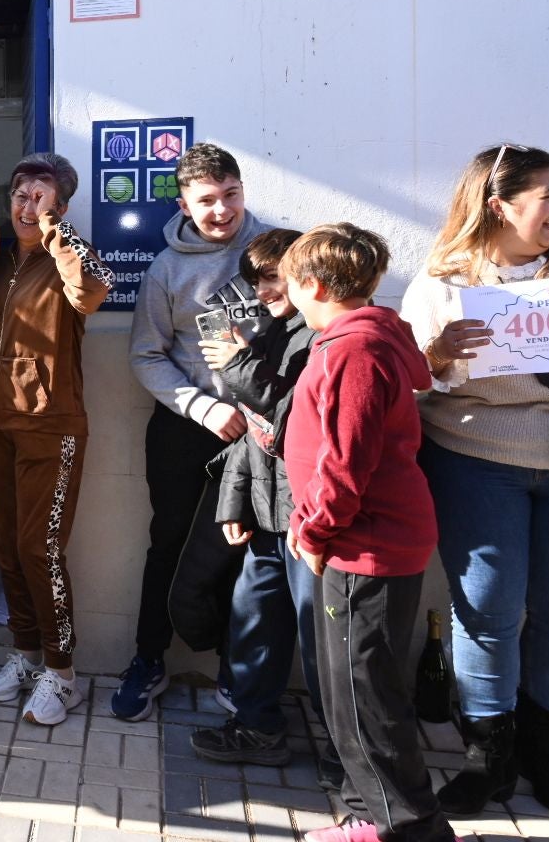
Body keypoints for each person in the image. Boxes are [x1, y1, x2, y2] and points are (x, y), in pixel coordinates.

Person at [401, 144, 549, 821]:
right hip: (476, 461)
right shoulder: (443, 281)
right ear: (502, 205)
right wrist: (437, 358)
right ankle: (485, 759)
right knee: (487, 612)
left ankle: (541, 752)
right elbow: (412, 380)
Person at [280, 223, 452, 842]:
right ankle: (367, 814)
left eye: (289, 281)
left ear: (314, 283)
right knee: (349, 690)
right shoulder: (362, 337)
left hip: (363, 544)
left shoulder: (354, 349)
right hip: (362, 540)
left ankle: (410, 827)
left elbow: (346, 459)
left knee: (364, 697)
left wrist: (316, 527)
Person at [118, 142, 271, 721]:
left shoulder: (278, 251)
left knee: (252, 555)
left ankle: (242, 673)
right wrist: (203, 408)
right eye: (206, 200)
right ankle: (147, 659)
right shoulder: (166, 269)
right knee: (170, 545)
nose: (221, 210)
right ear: (184, 202)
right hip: (188, 430)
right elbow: (146, 355)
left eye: (230, 195)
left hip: (263, 434)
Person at [184, 229, 340, 786]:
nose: (265, 288)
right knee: (254, 622)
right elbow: (254, 433)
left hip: (309, 517)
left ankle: (349, 755)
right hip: (269, 515)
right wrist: (236, 502)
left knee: (322, 638)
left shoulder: (323, 335)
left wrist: (241, 362)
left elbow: (298, 418)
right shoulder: (273, 330)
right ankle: (257, 727)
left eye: (275, 276)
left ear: (304, 278)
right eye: (257, 279)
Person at [0, 154, 112, 726]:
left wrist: (57, 230)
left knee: (40, 549)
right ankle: (26, 654)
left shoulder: (68, 257)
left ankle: (62, 673)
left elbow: (92, 293)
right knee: (6, 546)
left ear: (61, 207)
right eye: (21, 195)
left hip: (50, 425)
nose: (27, 206)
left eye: (42, 197)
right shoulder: (1, 259)